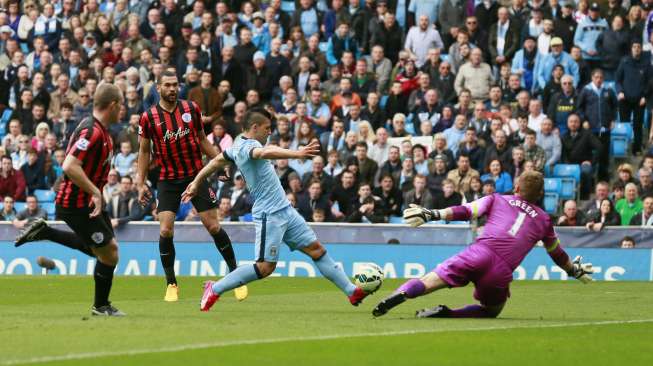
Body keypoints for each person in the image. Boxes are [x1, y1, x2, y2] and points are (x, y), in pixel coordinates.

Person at [181, 110, 374, 312]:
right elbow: (264, 152)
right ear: (254, 127)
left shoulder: (236, 147)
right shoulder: (249, 146)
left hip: (285, 210)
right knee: (265, 267)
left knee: (317, 250)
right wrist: (297, 153)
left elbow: (215, 162)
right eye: (267, 129)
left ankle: (351, 291)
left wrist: (196, 182)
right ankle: (215, 288)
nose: (269, 133)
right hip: (269, 213)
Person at [372, 171, 594, 318]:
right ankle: (448, 314)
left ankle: (400, 294)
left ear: (516, 186)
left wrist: (433, 214)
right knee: (491, 311)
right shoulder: (544, 219)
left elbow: (466, 211)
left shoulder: (497, 199)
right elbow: (557, 254)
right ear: (540, 194)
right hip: (501, 271)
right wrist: (573, 270)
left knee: (428, 281)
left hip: (478, 252)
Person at [14, 84, 126, 316]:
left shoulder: (101, 131)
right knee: (110, 252)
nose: (122, 110)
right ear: (113, 105)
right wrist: (96, 192)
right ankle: (101, 306)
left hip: (88, 200)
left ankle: (46, 232)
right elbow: (69, 165)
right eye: (121, 105)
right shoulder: (91, 131)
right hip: (74, 203)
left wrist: (98, 195)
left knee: (104, 252)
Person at [136, 70, 244, 302]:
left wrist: (219, 163)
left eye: (175, 85)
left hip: (196, 176)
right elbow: (144, 151)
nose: (173, 89)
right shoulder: (148, 117)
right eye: (168, 85)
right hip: (167, 180)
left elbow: (202, 140)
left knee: (213, 226)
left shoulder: (191, 109)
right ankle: (171, 284)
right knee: (165, 230)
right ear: (158, 88)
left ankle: (236, 275)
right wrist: (139, 182)